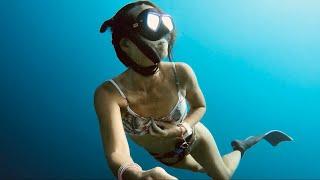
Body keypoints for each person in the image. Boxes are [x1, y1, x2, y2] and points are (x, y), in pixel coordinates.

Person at [94, 1, 293, 179]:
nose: (163, 33)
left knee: (223, 176)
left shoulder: (181, 72)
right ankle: (230, 153)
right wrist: (136, 175)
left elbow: (200, 106)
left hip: (196, 138)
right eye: (151, 23)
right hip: (166, 158)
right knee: (202, 169)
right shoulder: (109, 94)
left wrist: (182, 127)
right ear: (126, 44)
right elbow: (117, 152)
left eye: (165, 23)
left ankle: (242, 147)